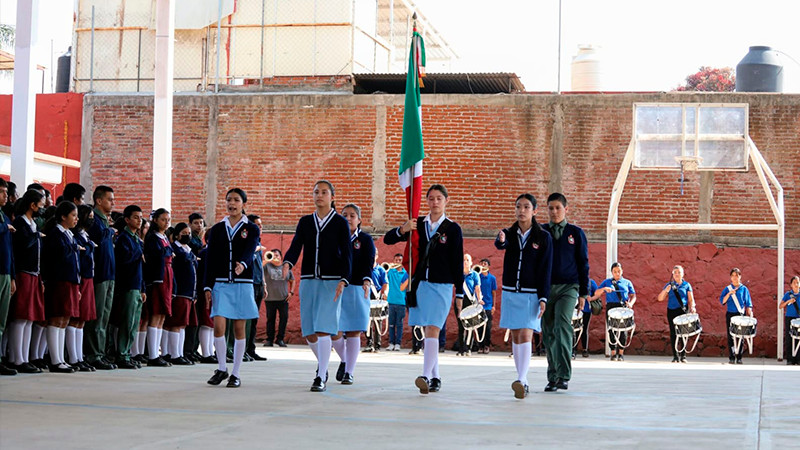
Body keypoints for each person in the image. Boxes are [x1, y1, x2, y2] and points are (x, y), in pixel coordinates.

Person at [384, 184, 464, 395]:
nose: (435, 202)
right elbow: (388, 239)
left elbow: (457, 262)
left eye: (439, 198)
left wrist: (460, 292)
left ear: (446, 201)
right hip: (419, 284)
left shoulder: (453, 229)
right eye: (431, 198)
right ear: (426, 201)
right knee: (428, 329)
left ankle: (425, 376)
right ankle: (435, 377)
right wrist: (403, 229)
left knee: (433, 328)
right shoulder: (417, 224)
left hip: (442, 285)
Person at [282, 181, 351, 392]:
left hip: (332, 281)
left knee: (323, 329)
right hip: (309, 279)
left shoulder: (340, 222)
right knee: (310, 331)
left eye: (324, 192)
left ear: (332, 196)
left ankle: (321, 375)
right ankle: (335, 362)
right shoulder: (305, 222)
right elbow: (296, 246)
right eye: (316, 192)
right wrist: (288, 262)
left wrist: (343, 279)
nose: (319, 195)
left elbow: (347, 252)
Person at [495, 193, 552, 399]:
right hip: (511, 291)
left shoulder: (543, 237)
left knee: (527, 334)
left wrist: (543, 297)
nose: (521, 211)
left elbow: (546, 269)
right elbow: (500, 244)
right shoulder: (508, 233)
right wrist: (501, 240)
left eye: (526, 207)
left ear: (535, 211)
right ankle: (520, 377)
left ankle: (522, 379)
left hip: (531, 294)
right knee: (517, 334)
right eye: (518, 206)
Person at [205, 188, 261, 388]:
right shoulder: (218, 228)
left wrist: (243, 265)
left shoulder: (251, 228)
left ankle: (236, 373)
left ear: (243, 203)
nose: (232, 203)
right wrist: (207, 286)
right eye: (229, 200)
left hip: (243, 284)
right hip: (221, 283)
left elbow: (250, 250)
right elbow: (210, 258)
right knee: (219, 326)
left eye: (236, 200)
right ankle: (221, 367)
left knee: (239, 328)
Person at [541, 193, 589, 392]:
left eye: (558, 208)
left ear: (566, 209)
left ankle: (563, 376)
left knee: (562, 326)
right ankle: (552, 376)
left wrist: (584, 293)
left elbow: (583, 263)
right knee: (548, 331)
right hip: (545, 288)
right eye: (551, 208)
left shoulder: (575, 233)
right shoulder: (541, 232)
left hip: (569, 287)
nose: (554, 212)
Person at [331, 204, 374, 385]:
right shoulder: (333, 238)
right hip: (337, 288)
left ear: (359, 220)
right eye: (345, 215)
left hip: (357, 287)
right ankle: (345, 359)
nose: (348, 218)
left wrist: (366, 280)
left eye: (352, 215)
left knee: (354, 331)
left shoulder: (364, 239)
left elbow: (368, 262)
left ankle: (349, 372)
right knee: (335, 331)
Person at [7, 189, 46, 374]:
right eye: (40, 203)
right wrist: (36, 236)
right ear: (32, 205)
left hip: (34, 273)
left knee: (29, 318)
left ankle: (25, 357)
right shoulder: (21, 223)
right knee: (20, 316)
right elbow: (21, 246)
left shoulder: (33, 223)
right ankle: (16, 358)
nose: (42, 207)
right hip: (23, 272)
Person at [41, 201, 82, 373]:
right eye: (73, 215)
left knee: (65, 319)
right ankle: (55, 359)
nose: (76, 219)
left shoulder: (69, 234)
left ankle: (61, 359)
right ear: (63, 216)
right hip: (59, 281)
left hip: (70, 281)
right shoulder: (56, 234)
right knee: (57, 318)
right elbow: (58, 257)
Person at [84, 185, 117, 370]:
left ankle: (101, 352)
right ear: (99, 200)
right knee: (96, 316)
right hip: (99, 273)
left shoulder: (105, 220)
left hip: (109, 272)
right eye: (109, 199)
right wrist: (110, 230)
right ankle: (92, 353)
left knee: (105, 316)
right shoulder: (93, 219)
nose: (112, 203)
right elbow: (96, 238)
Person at [113, 205, 147, 369]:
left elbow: (141, 266)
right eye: (135, 217)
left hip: (136, 283)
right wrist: (138, 254)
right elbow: (124, 260)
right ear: (127, 219)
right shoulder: (123, 238)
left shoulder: (136, 239)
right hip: (127, 284)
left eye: (140, 217)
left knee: (134, 322)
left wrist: (143, 288)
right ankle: (121, 354)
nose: (139, 220)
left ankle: (127, 352)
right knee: (127, 321)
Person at [67, 205, 97, 372]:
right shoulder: (76, 236)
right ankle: (73, 357)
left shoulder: (85, 235)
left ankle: (79, 356)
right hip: (81, 278)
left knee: (83, 319)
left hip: (89, 278)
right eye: (89, 216)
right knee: (75, 318)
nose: (90, 219)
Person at [143, 208, 174, 367]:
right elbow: (156, 256)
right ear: (155, 220)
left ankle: (158, 352)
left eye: (168, 219)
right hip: (158, 278)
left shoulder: (165, 237)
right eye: (163, 219)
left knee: (162, 314)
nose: (166, 222)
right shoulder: (153, 238)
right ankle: (152, 355)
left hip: (167, 275)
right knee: (155, 313)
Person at [164, 222, 198, 365]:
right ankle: (173, 354)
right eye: (184, 233)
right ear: (177, 235)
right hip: (181, 291)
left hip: (190, 292)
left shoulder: (188, 250)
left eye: (188, 233)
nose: (187, 236)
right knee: (176, 323)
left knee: (183, 324)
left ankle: (180, 352)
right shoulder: (176, 250)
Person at [657, 265, 696, 363]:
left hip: (683, 311)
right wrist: (666, 290)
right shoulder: (669, 285)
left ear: (683, 274)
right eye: (675, 272)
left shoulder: (687, 285)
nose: (677, 274)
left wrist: (693, 307)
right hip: (671, 311)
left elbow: (691, 299)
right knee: (673, 333)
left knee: (683, 333)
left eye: (679, 272)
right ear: (672, 274)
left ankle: (683, 356)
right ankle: (675, 356)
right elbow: (660, 298)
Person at [598, 262, 636, 361]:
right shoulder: (607, 282)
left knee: (623, 330)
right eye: (615, 272)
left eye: (619, 271)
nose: (617, 273)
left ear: (622, 271)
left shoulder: (627, 282)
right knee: (611, 329)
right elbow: (597, 292)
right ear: (612, 272)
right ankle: (613, 353)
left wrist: (631, 303)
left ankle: (621, 353)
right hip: (611, 306)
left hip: (623, 306)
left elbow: (633, 295)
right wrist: (604, 289)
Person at [0, 178, 17, 375]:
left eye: (6, 192)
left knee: (2, 319)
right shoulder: (5, 223)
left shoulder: (4, 217)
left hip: (5, 272)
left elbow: (10, 251)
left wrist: (12, 276)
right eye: (2, 192)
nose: (6, 196)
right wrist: (5, 228)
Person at [719, 268, 753, 365]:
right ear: (730, 277)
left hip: (740, 314)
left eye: (737, 276)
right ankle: (732, 356)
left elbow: (748, 303)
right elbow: (722, 301)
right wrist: (729, 294)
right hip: (730, 314)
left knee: (740, 336)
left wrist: (750, 312)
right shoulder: (727, 289)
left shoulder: (744, 289)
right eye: (733, 276)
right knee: (731, 336)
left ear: (740, 277)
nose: (735, 278)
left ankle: (739, 357)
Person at [245, 214, 267, 361]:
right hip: (250, 284)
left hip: (259, 283)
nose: (260, 227)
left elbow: (261, 266)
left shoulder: (258, 244)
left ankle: (251, 349)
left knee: (254, 319)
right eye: (257, 225)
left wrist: (264, 284)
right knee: (246, 319)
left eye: (261, 225)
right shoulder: (249, 242)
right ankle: (243, 348)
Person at [263, 249, 294, 348]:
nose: (275, 257)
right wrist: (267, 260)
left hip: (283, 298)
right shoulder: (267, 266)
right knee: (270, 319)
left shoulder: (285, 267)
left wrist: (291, 292)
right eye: (273, 255)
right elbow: (259, 268)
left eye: (277, 255)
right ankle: (269, 340)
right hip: (270, 298)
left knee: (283, 319)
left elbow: (292, 280)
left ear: (281, 257)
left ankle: (280, 339)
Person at [455, 253, 482, 356]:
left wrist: (479, 299)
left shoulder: (474, 274)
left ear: (471, 262)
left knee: (470, 325)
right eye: (464, 260)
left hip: (470, 300)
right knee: (461, 326)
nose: (465, 262)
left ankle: (468, 348)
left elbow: (477, 288)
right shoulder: (458, 273)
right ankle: (461, 349)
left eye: (467, 260)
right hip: (459, 300)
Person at [364, 252, 389, 352]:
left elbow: (385, 283)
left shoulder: (381, 269)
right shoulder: (365, 268)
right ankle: (369, 344)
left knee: (378, 321)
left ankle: (377, 345)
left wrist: (384, 294)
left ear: (377, 256)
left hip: (377, 297)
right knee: (367, 322)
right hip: (366, 297)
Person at [386, 253, 409, 352]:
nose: (398, 262)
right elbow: (385, 275)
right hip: (391, 301)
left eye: (400, 260)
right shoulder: (390, 272)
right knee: (391, 324)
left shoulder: (405, 274)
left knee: (399, 324)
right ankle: (391, 343)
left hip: (401, 302)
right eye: (396, 260)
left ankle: (398, 343)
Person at [477, 258, 498, 354]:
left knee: (488, 327)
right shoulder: (477, 276)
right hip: (478, 305)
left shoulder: (492, 278)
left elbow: (494, 293)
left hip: (488, 305)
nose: (483, 265)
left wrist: (494, 305)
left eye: (485, 264)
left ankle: (486, 346)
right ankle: (480, 346)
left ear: (488, 266)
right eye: (481, 264)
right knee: (479, 326)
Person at [779, 276, 800, 365]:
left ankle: (798, 359)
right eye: (794, 282)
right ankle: (790, 359)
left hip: (798, 318)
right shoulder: (788, 294)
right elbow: (780, 306)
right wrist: (788, 302)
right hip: (789, 318)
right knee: (789, 338)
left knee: (799, 339)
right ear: (791, 285)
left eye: (798, 282)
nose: (796, 284)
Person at [577, 279, 599, 358]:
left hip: (586, 310)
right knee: (574, 329)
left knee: (584, 329)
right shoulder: (574, 281)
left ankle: (584, 349)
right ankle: (573, 349)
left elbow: (597, 293)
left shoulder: (591, 282)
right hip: (575, 309)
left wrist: (592, 298)